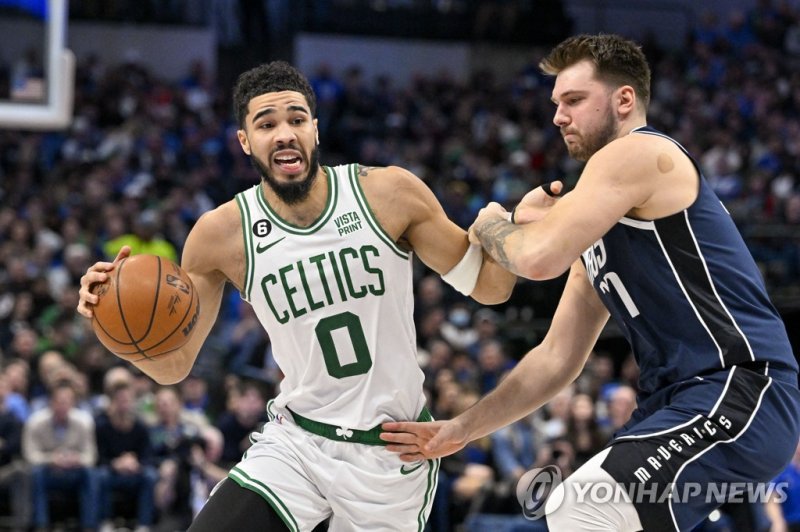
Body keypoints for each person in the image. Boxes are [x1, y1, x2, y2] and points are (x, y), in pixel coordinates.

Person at [77, 60, 523, 531]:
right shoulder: (220, 235)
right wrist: (107, 325)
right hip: (298, 443)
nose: (284, 133)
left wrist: (500, 228)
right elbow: (173, 365)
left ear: (315, 129)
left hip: (390, 452)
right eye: (266, 124)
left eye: (296, 118)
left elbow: (491, 288)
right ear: (246, 141)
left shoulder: (388, 194)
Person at [381, 33, 800, 531]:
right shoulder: (600, 222)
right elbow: (557, 359)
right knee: (576, 515)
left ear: (624, 99)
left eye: (574, 100)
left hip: (740, 387)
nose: (558, 116)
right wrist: (462, 429)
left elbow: (536, 258)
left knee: (582, 506)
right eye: (556, 103)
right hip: (677, 404)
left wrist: (497, 222)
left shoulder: (638, 153)